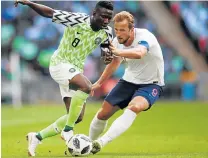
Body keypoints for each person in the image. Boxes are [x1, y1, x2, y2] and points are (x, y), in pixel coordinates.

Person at [14, 0, 114, 156]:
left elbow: (105, 49)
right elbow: (50, 13)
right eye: (103, 17)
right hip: (59, 64)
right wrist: (28, 3)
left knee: (76, 117)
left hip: (74, 70)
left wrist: (107, 56)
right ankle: (67, 131)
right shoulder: (78, 20)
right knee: (86, 87)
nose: (106, 21)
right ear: (94, 13)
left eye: (109, 17)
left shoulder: (107, 31)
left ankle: (37, 137)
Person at [89, 11, 165, 154]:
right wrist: (99, 83)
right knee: (102, 114)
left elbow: (139, 53)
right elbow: (114, 63)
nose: (118, 33)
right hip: (128, 81)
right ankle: (87, 144)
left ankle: (101, 142)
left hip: (151, 84)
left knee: (135, 107)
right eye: (116, 29)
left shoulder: (145, 36)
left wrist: (117, 51)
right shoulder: (118, 41)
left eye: (122, 30)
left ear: (131, 29)